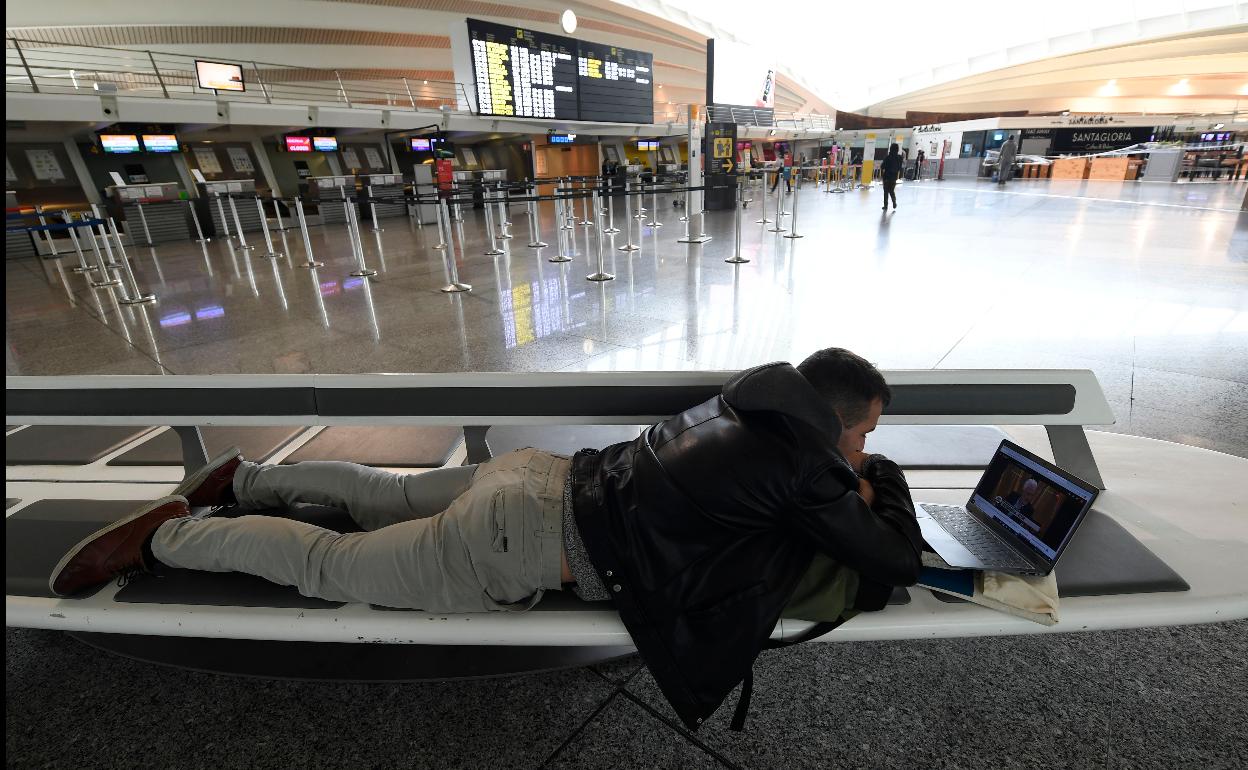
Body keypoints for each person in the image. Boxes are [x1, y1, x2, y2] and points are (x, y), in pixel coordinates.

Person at [50, 348, 923, 731]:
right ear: (840, 422)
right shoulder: (811, 467)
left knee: (374, 494)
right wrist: (884, 484)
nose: (865, 449)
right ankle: (170, 539)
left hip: (542, 475)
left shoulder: (749, 397)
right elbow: (892, 561)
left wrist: (852, 468)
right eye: (866, 433)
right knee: (327, 564)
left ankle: (237, 479)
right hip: (513, 542)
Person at [879, 143, 903, 211]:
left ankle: (885, 205)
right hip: (894, 177)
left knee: (886, 191)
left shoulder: (888, 157)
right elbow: (899, 168)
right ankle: (894, 202)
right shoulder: (900, 158)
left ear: (891, 148)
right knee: (892, 191)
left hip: (887, 176)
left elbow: (882, 166)